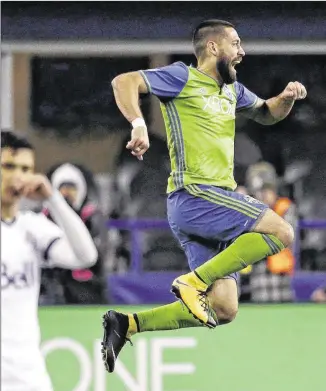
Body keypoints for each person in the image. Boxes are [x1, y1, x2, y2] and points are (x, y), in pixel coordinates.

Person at [101, 19, 307, 372]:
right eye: (236, 44)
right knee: (281, 231)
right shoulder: (183, 77)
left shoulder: (233, 90)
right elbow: (125, 81)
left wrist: (285, 100)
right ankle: (191, 282)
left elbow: (268, 113)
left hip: (207, 211)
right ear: (213, 48)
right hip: (196, 194)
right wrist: (138, 124)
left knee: (224, 309)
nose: (242, 52)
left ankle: (127, 324)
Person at [1, 130, 98, 391]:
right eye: (8, 166)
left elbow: (85, 256)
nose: (18, 176)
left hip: (29, 380)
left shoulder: (32, 228)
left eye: (26, 168)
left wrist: (53, 199)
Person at [42, 163, 107, 304]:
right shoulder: (44, 216)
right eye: (63, 189)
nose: (67, 194)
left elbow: (98, 255)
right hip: (53, 282)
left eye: (72, 189)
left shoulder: (91, 215)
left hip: (84, 284)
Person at [246, 162, 297, 302]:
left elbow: (280, 237)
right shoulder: (250, 211)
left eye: (266, 190)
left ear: (274, 189)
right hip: (259, 278)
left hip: (280, 278)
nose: (262, 195)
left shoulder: (286, 208)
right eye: (258, 191)